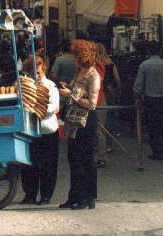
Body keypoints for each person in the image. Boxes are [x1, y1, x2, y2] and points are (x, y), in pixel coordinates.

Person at [59, 40, 100, 210]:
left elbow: (92, 103)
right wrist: (68, 87)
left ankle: (87, 197)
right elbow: (76, 92)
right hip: (74, 120)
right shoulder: (79, 72)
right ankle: (74, 196)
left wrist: (71, 93)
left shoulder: (93, 74)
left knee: (86, 159)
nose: (73, 58)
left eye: (75, 54)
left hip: (86, 120)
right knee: (73, 158)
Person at [21, 55, 60, 205]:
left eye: (38, 66)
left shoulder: (51, 86)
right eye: (33, 68)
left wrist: (36, 109)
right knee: (29, 164)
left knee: (48, 166)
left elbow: (54, 107)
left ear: (43, 67)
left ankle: (46, 195)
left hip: (47, 130)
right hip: (30, 130)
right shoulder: (25, 85)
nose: (36, 70)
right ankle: (29, 194)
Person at [133, 40, 163, 160]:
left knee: (152, 126)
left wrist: (137, 98)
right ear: (159, 51)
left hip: (150, 100)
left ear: (148, 51)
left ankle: (157, 152)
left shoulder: (144, 65)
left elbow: (138, 86)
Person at [95, 43, 121, 167]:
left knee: (99, 125)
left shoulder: (95, 64)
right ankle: (109, 144)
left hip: (100, 94)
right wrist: (117, 91)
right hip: (109, 93)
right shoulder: (110, 63)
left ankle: (100, 148)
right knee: (109, 119)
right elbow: (117, 79)